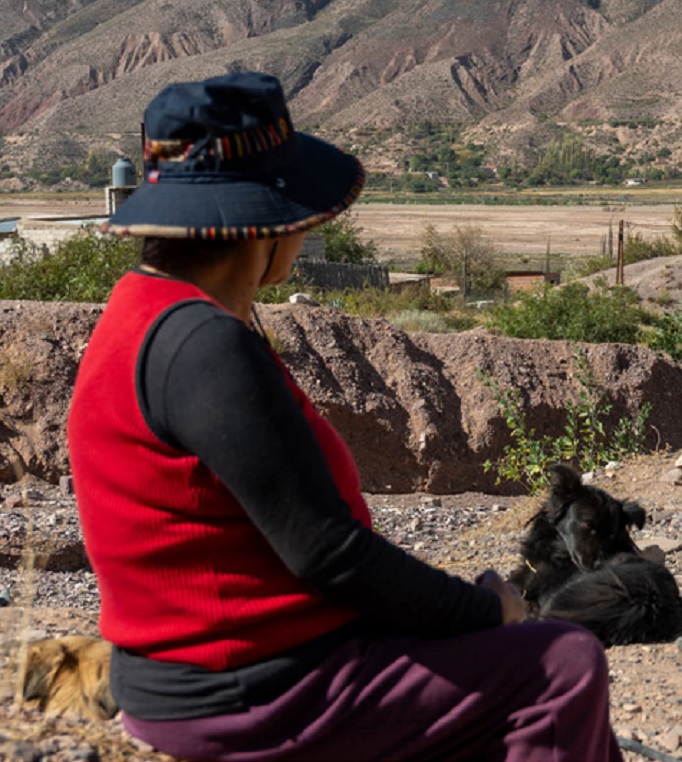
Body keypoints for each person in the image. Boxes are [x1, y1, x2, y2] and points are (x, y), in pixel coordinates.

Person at [67, 71, 623, 762]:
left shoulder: (142, 313)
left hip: (213, 673)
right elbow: (326, 552)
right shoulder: (205, 346)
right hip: (256, 692)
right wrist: (483, 609)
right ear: (263, 224)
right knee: (562, 665)